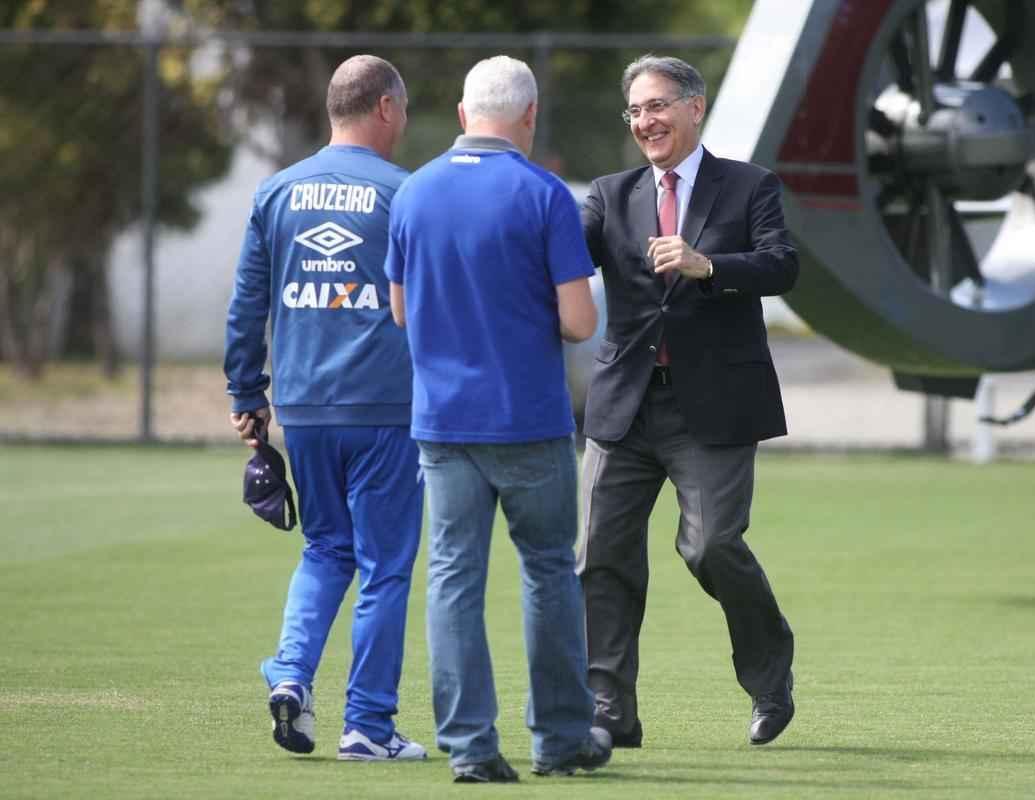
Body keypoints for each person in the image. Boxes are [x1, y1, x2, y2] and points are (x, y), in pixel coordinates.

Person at [384, 55, 612, 783]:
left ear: (462, 115)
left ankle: (471, 748)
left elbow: (399, 310)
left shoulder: (413, 194)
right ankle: (560, 738)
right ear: (530, 116)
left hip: (443, 423)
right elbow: (579, 322)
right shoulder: (544, 193)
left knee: (452, 576)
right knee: (548, 572)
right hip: (528, 419)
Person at [577, 54, 799, 747]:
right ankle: (611, 710)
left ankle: (770, 680)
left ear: (694, 108)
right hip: (624, 407)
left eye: (658, 106)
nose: (646, 121)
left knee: (710, 547)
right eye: (636, 110)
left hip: (714, 407)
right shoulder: (609, 195)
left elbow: (782, 264)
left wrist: (709, 267)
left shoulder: (749, 186)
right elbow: (561, 260)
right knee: (597, 555)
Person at [223, 54, 426, 762]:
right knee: (386, 565)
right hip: (383, 406)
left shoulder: (277, 191)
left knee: (325, 548)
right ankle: (367, 723)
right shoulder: (405, 194)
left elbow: (248, 302)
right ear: (384, 109)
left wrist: (247, 397)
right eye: (401, 110)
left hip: (304, 407)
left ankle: (290, 675)